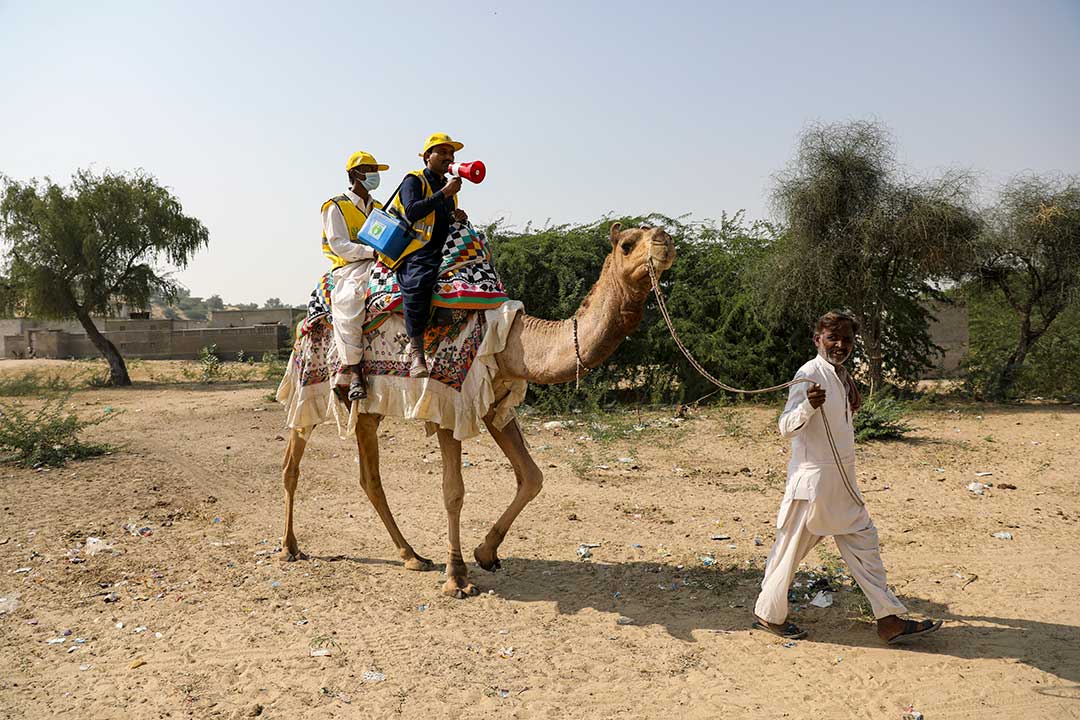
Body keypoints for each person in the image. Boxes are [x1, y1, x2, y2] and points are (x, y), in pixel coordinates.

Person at [752, 310, 942, 644]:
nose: (840, 345)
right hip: (812, 484)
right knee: (790, 549)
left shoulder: (841, 375)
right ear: (817, 340)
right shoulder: (809, 373)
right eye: (832, 338)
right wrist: (808, 407)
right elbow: (785, 427)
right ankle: (769, 615)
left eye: (846, 340)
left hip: (840, 482)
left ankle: (888, 619)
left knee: (861, 541)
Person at [389, 132, 469, 377]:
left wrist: (457, 215)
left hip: (444, 248)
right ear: (427, 157)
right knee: (418, 283)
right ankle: (417, 352)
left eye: (451, 154)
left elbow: (442, 217)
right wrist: (444, 193)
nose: (449, 157)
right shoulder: (413, 180)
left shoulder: (448, 187)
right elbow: (412, 211)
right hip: (415, 250)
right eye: (443, 153)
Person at [321, 150, 388, 401]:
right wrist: (370, 252)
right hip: (349, 268)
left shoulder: (380, 208)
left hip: (382, 263)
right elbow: (338, 244)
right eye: (369, 170)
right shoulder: (335, 206)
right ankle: (354, 369)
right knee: (349, 302)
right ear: (354, 175)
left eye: (376, 170)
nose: (375, 175)